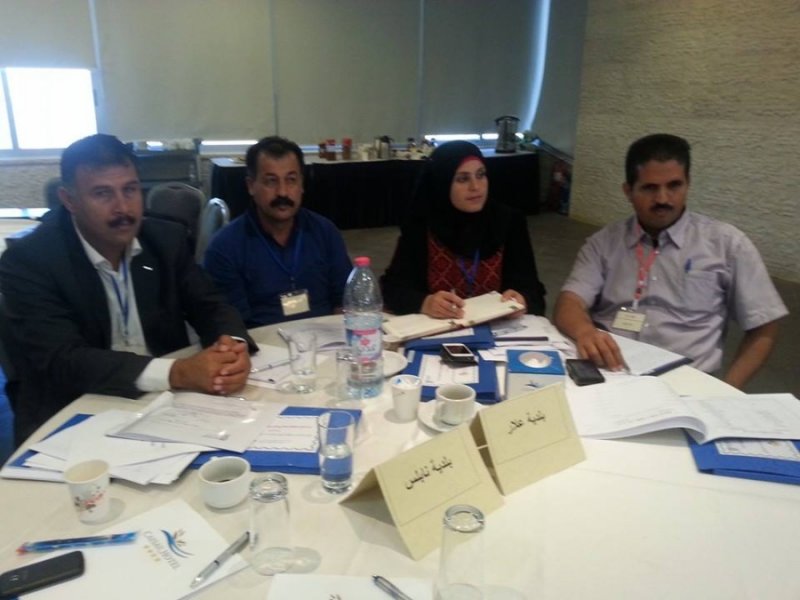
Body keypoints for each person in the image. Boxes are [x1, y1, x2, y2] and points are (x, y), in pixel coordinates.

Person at [0, 134, 255, 444]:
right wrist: (178, 372)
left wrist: (232, 348)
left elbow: (210, 305)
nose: (122, 207)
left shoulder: (165, 240)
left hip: (166, 408)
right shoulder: (30, 260)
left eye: (130, 189)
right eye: (102, 193)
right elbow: (64, 361)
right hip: (73, 414)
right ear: (69, 200)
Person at [553, 133, 788, 388]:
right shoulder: (604, 243)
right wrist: (585, 332)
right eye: (650, 188)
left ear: (688, 184)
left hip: (688, 383)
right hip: (610, 374)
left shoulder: (727, 245)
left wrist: (727, 391)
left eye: (674, 186)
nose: (663, 199)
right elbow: (570, 301)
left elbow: (764, 326)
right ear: (628, 191)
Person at [381, 140, 546, 318]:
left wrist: (522, 300)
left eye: (481, 175)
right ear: (442, 183)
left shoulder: (508, 221)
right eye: (463, 179)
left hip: (498, 328)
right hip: (439, 327)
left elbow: (533, 291)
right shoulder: (421, 224)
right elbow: (392, 289)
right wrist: (424, 303)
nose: (475, 187)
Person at [203, 136, 352, 327]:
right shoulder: (225, 247)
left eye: (291, 180)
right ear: (251, 186)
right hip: (261, 342)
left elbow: (344, 301)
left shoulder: (325, 232)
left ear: (302, 184)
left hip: (325, 339)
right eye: (271, 181)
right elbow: (231, 326)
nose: (282, 192)